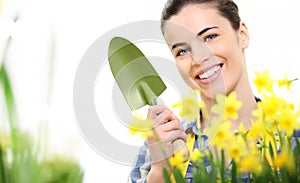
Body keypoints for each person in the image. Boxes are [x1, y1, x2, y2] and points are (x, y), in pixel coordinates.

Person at [128, 0, 258, 182]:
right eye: (182, 51)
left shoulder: (293, 138)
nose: (198, 58)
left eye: (210, 37)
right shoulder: (160, 147)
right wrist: (160, 171)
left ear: (242, 35)